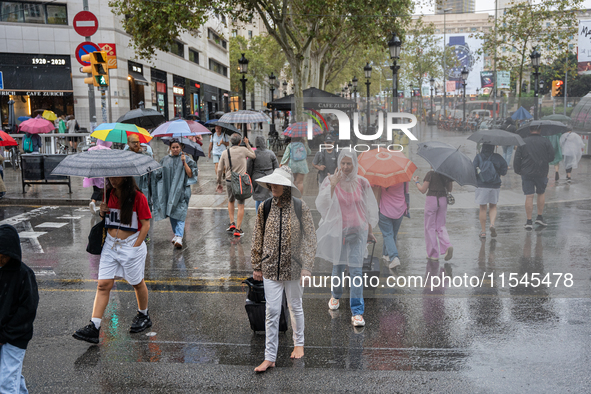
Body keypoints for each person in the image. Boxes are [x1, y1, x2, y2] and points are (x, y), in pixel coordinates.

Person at [250, 166, 316, 372]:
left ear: (287, 185)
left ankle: (299, 344)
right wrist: (257, 265)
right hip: (270, 268)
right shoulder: (265, 207)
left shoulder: (299, 206)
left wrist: (307, 266)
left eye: (278, 183)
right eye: (272, 183)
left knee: (295, 307)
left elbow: (310, 238)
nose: (273, 186)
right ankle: (270, 356)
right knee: (271, 311)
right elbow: (257, 235)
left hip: (294, 268)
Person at [73, 177, 152, 344]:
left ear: (126, 176)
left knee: (137, 283)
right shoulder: (107, 194)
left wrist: (135, 248)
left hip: (131, 244)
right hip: (110, 245)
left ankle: (143, 314)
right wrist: (102, 212)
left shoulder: (138, 197)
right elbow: (108, 220)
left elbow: (145, 225)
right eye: (110, 176)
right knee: (103, 285)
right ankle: (94, 326)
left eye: (117, 176)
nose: (113, 180)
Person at [316, 149, 379, 327]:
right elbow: (322, 205)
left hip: (357, 233)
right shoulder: (330, 181)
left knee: (356, 271)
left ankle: (357, 312)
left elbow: (367, 209)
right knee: (338, 267)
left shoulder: (363, 183)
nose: (345, 167)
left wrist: (369, 231)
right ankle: (335, 295)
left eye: (348, 163)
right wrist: (333, 185)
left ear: (354, 164)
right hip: (339, 233)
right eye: (342, 163)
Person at [0, 225, 39, 394]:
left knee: (7, 381)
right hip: (3, 333)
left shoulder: (24, 274)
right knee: (9, 375)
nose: (0, 260)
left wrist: (5, 335)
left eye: (3, 256)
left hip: (16, 336)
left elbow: (27, 310)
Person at [152, 140, 198, 249]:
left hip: (182, 191)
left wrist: (184, 163)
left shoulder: (187, 159)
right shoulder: (165, 160)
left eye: (177, 147)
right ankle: (176, 234)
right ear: (170, 148)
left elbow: (191, 174)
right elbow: (158, 174)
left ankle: (179, 236)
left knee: (181, 213)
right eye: (173, 147)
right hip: (168, 191)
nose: (175, 149)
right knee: (172, 212)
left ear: (181, 147)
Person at [513, 125, 555, 229]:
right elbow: (552, 157)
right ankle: (539, 217)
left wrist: (518, 170)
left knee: (529, 196)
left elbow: (517, 158)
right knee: (541, 193)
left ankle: (528, 221)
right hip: (541, 171)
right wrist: (543, 160)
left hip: (527, 172)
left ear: (529, 130)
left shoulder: (523, 142)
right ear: (540, 130)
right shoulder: (545, 141)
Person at [216, 133, 256, 238]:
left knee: (230, 200)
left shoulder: (225, 152)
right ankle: (238, 229)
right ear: (240, 142)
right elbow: (253, 155)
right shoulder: (243, 150)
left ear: (230, 142)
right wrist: (247, 144)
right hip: (241, 182)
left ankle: (232, 223)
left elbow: (220, 169)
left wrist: (219, 182)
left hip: (229, 181)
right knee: (241, 204)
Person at [413, 170, 454, 261]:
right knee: (441, 226)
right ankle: (447, 245)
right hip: (443, 200)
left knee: (429, 227)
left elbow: (423, 190)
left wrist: (416, 182)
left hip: (431, 200)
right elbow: (449, 189)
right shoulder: (447, 174)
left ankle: (433, 254)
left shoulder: (430, 174)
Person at [473, 143, 508, 238]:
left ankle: (483, 231)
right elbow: (504, 171)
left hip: (482, 185)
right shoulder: (497, 157)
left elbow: (473, 170)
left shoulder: (478, 157)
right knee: (493, 206)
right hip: (495, 185)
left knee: (483, 208)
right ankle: (492, 224)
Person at [375, 180, 410, 270]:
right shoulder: (403, 177)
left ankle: (394, 257)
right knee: (393, 234)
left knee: (387, 234)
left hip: (384, 210)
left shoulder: (381, 177)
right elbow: (406, 191)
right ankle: (386, 254)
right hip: (400, 209)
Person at [247, 136, 278, 212]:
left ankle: (258, 214)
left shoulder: (253, 154)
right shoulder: (271, 153)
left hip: (257, 178)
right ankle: (268, 212)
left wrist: (250, 177)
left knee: (258, 197)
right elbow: (276, 167)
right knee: (268, 196)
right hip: (269, 177)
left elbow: (249, 167)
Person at [83, 140, 113, 215]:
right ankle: (104, 205)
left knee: (96, 189)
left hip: (94, 173)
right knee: (105, 191)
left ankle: (93, 201)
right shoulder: (108, 150)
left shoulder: (92, 149)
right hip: (104, 174)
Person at [126, 134, 152, 207]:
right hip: (129, 188)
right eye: (133, 142)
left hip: (144, 188)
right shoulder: (124, 156)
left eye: (137, 142)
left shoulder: (146, 155)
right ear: (128, 143)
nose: (136, 144)